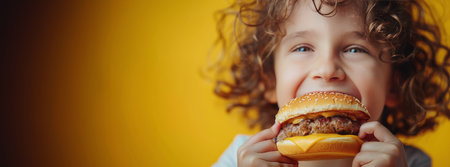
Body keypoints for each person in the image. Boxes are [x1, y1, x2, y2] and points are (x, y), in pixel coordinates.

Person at [209, 0, 450, 166]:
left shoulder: (408, 162)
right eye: (302, 47)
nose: (327, 70)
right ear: (270, 81)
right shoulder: (242, 158)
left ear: (394, 85)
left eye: (355, 49)